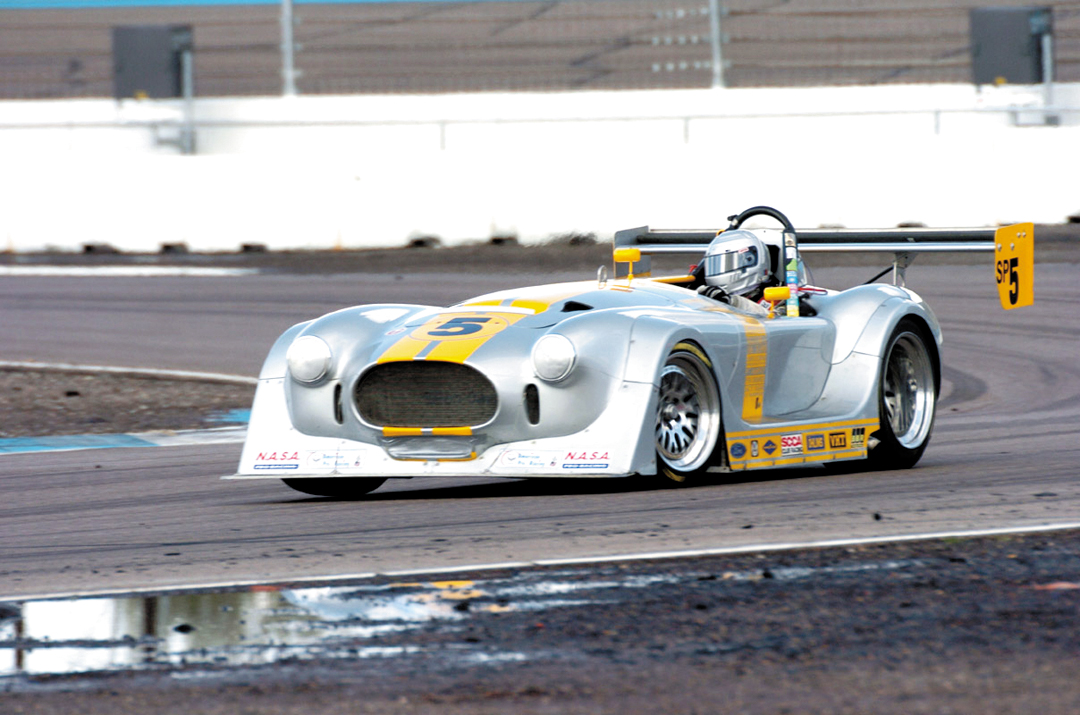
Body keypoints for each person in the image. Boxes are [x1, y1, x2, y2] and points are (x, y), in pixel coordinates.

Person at [694, 229, 776, 315]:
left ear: (749, 259)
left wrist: (732, 301)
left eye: (729, 262)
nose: (720, 270)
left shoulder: (775, 298)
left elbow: (770, 317)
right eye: (716, 264)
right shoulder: (710, 294)